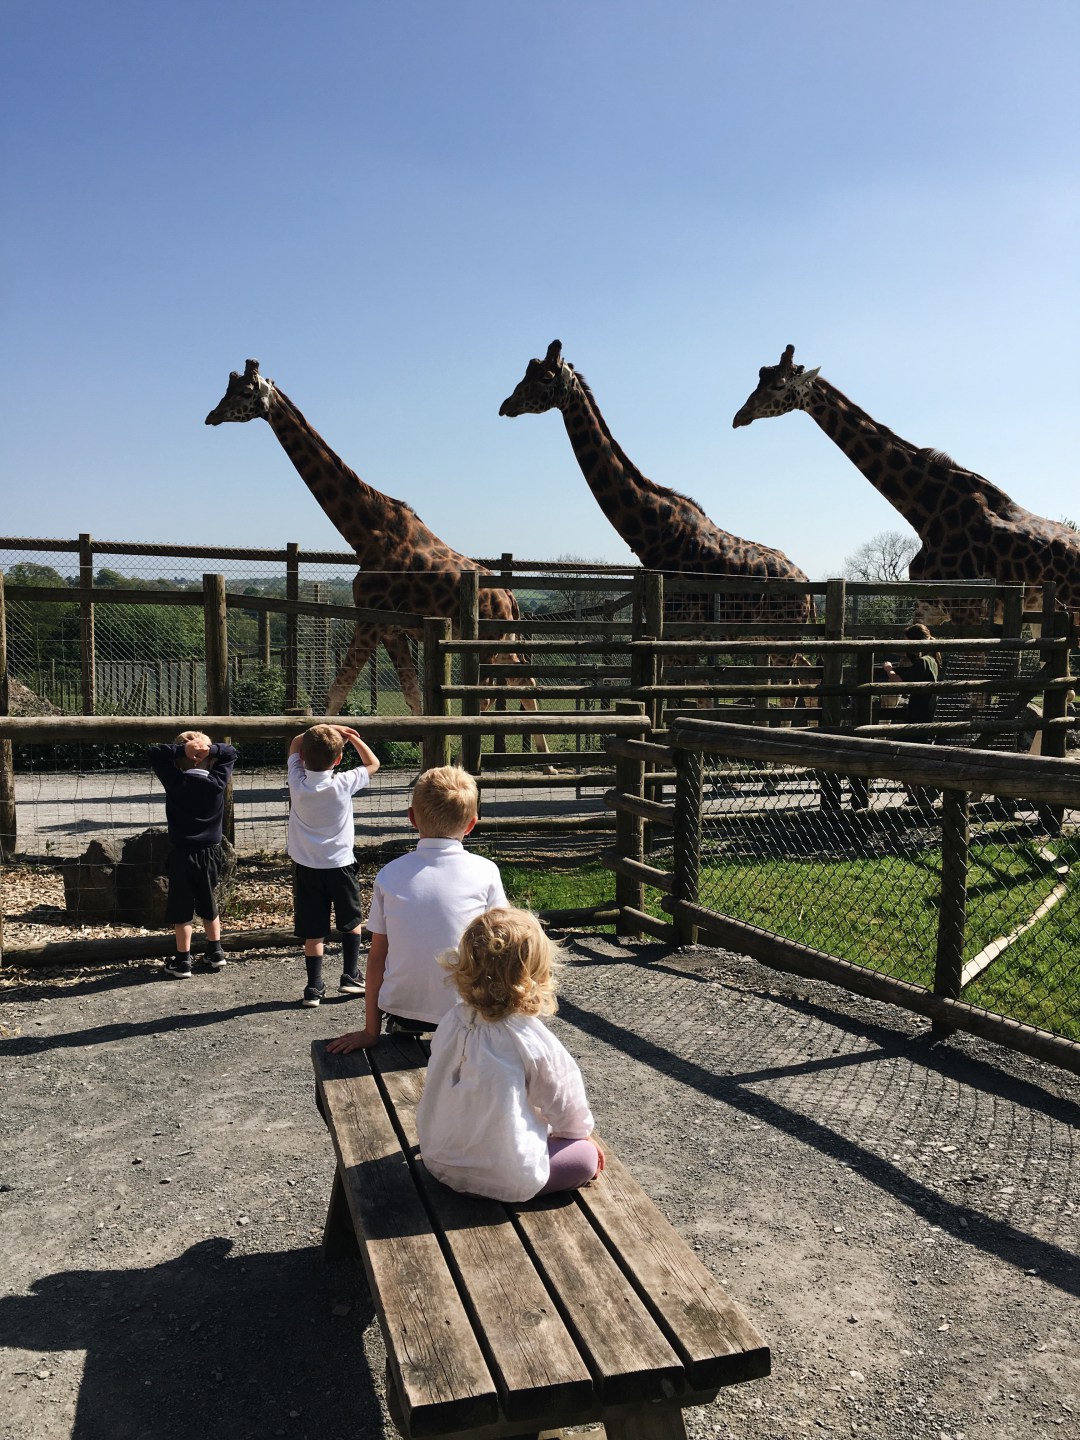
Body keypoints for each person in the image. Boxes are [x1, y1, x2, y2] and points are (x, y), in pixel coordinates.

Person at [415, 907, 605, 1203]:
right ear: (535, 975)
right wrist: (580, 1135)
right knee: (585, 1157)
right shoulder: (529, 1038)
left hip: (440, 1160)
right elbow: (567, 1106)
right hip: (504, 1177)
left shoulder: (453, 1019)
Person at [326, 765, 506, 1051]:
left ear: (412, 818)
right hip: (465, 1009)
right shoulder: (485, 872)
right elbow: (501, 946)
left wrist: (370, 1031)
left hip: (401, 1009)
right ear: (471, 824)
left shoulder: (390, 874)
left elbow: (376, 957)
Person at [287, 723, 380, 1009]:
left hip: (306, 867)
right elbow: (372, 763)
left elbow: (294, 743)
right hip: (340, 865)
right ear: (338, 759)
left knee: (313, 931)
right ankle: (350, 975)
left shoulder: (297, 782)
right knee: (351, 922)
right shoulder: (343, 783)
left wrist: (322, 728)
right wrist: (351, 737)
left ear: (303, 757)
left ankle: (313, 987)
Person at [146, 729, 237, 979]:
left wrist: (182, 750)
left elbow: (154, 753)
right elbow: (231, 752)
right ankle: (216, 952)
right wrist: (211, 750)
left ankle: (183, 960)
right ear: (213, 761)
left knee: (181, 908)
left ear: (176, 761)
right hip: (211, 853)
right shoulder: (218, 781)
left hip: (182, 853)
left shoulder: (175, 781)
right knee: (209, 902)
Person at [882, 623, 940, 806]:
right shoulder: (933, 660)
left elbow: (898, 680)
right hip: (927, 713)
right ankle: (919, 796)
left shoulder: (922, 662)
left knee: (902, 756)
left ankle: (915, 796)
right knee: (917, 756)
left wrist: (888, 669)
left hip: (917, 713)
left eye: (908, 643)